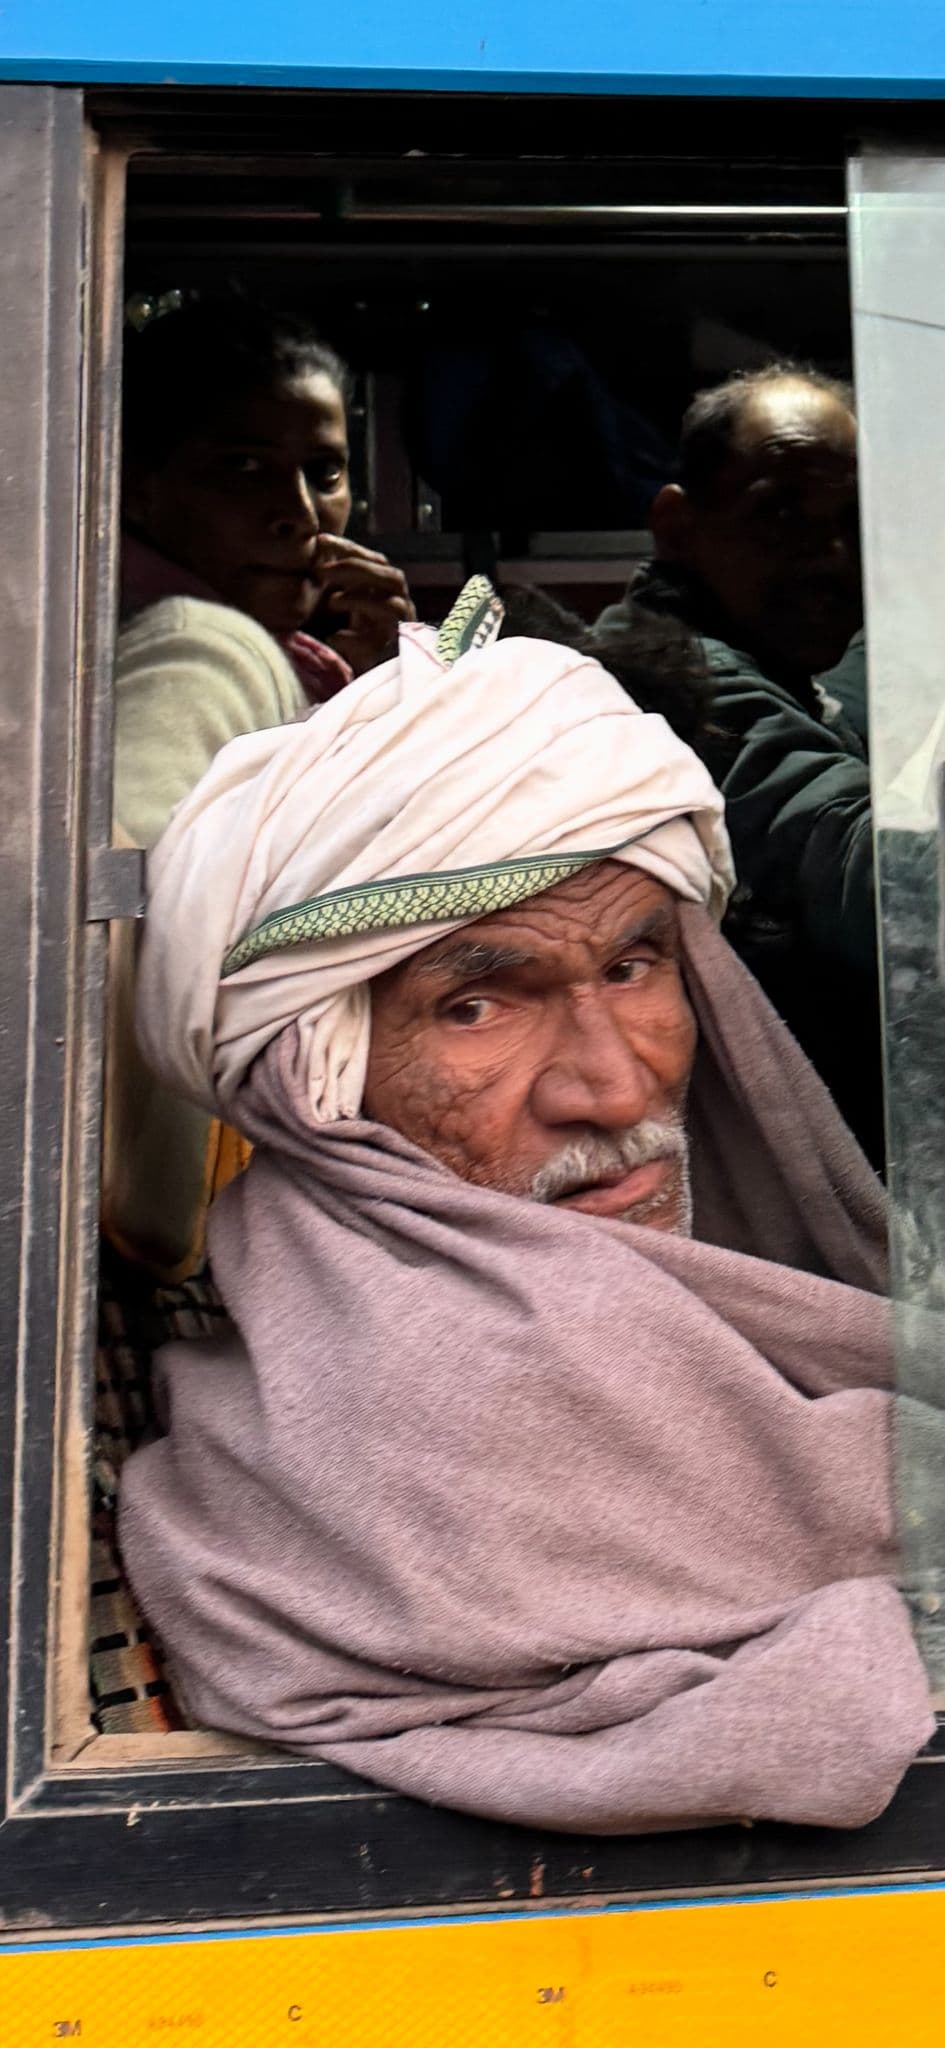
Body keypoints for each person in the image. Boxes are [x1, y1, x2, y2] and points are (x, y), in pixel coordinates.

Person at [118, 581, 933, 1836]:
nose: (611, 1082)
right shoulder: (433, 1419)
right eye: (477, 1004)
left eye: (632, 964)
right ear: (319, 1074)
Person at [595, 365, 883, 1168]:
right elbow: (882, 895)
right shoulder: (666, 680)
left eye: (855, 523)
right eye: (781, 514)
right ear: (676, 525)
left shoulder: (790, 666)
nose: (831, 557)